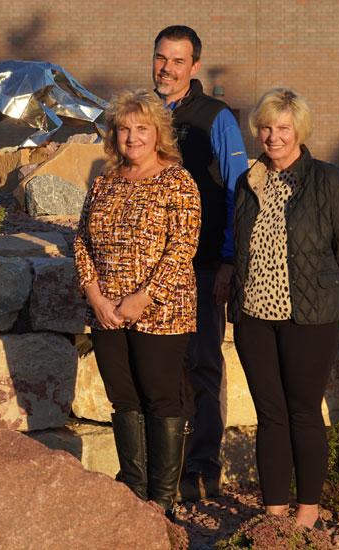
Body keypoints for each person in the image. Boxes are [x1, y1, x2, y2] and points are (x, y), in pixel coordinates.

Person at [230, 88, 339, 528]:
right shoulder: (246, 182)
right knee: (270, 414)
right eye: (266, 127)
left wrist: (317, 288)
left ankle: (306, 511)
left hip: (310, 316)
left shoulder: (329, 181)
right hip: (254, 317)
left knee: (303, 412)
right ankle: (273, 513)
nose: (273, 136)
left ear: (299, 131)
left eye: (283, 127)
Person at [73, 90, 201, 515]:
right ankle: (133, 488)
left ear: (158, 134)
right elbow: (81, 242)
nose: (132, 137)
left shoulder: (177, 181)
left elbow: (182, 248)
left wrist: (142, 298)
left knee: (161, 399)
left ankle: (161, 500)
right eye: (124, 129)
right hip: (107, 312)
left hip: (160, 312)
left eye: (141, 128)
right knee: (123, 399)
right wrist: (95, 295)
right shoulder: (103, 183)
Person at [150, 25, 250, 501]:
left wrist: (230, 260)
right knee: (162, 372)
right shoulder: (143, 116)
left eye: (176, 60)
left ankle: (202, 470)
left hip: (204, 265)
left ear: (194, 67)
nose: (166, 68)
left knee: (203, 365)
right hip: (151, 272)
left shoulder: (215, 118)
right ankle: (162, 470)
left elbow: (238, 190)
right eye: (160, 58)